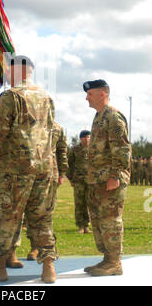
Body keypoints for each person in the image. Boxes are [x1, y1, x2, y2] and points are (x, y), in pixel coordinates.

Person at [0, 55, 58, 284]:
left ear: (18, 71)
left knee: (5, 217)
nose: (6, 75)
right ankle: (48, 267)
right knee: (41, 218)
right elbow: (48, 129)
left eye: (8, 71)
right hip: (43, 167)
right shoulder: (46, 96)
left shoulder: (10, 96)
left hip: (14, 170)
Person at [82, 79, 131, 277]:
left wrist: (115, 176)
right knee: (100, 221)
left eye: (90, 94)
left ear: (102, 94)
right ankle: (107, 259)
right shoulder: (99, 117)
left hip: (110, 180)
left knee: (111, 221)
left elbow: (122, 149)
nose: (87, 98)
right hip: (97, 181)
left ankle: (114, 262)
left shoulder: (113, 117)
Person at [27, 121, 68, 261]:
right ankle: (34, 247)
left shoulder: (57, 128)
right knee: (30, 214)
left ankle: (46, 249)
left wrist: (62, 173)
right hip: (29, 174)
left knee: (46, 213)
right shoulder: (31, 124)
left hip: (51, 174)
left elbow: (62, 151)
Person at [67, 130, 92, 234]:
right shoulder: (74, 150)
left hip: (91, 181)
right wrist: (71, 179)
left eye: (89, 137)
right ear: (81, 138)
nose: (88, 139)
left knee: (89, 203)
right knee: (79, 203)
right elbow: (69, 165)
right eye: (85, 137)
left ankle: (87, 225)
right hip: (78, 181)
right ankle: (80, 226)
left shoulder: (93, 149)